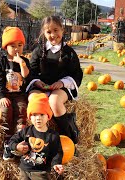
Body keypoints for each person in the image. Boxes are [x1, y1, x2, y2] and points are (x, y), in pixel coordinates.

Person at [27, 16, 83, 144]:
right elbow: (32, 71)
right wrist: (36, 81)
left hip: (62, 87)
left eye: (56, 30)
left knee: (54, 101)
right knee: (34, 101)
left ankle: (68, 136)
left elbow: (76, 74)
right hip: (41, 86)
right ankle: (38, 138)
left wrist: (62, 83)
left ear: (62, 30)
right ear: (43, 33)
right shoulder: (38, 52)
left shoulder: (69, 53)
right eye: (48, 32)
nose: (53, 35)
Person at [0, 27, 31, 160]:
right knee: (6, 111)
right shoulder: (1, 62)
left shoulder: (24, 61)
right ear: (5, 47)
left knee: (22, 109)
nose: (17, 49)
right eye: (13, 45)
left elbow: (26, 76)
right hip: (6, 95)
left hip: (19, 94)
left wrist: (21, 63)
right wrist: (1, 96)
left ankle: (20, 141)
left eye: (20, 45)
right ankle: (8, 143)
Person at [8, 93, 64, 179]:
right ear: (30, 117)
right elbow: (12, 140)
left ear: (48, 116)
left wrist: (56, 163)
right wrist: (16, 146)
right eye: (34, 115)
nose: (38, 118)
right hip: (24, 170)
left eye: (42, 114)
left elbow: (57, 152)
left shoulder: (53, 135)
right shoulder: (26, 131)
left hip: (41, 172)